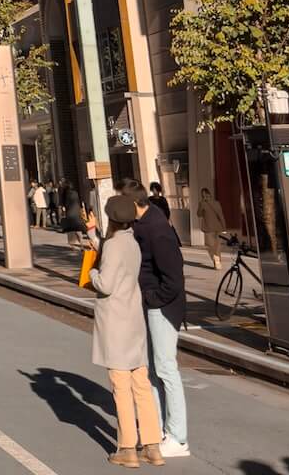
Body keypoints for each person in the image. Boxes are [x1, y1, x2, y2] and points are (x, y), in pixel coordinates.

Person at [86, 193, 166, 468]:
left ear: (112, 218)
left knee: (121, 387)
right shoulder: (132, 242)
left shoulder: (113, 246)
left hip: (116, 322)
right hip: (134, 320)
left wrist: (91, 275)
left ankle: (127, 448)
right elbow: (114, 261)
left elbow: (105, 282)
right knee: (141, 384)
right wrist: (93, 235)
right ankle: (153, 445)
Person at [124, 180, 188, 459]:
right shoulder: (140, 226)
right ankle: (156, 429)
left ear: (133, 204)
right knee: (151, 369)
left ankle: (178, 436)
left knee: (165, 369)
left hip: (163, 308)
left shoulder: (157, 230)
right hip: (150, 305)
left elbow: (173, 278)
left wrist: (151, 299)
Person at [195, 188, 226, 270]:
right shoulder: (216, 203)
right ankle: (218, 262)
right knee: (216, 246)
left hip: (210, 228)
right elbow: (221, 216)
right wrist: (224, 227)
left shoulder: (203, 203)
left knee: (212, 246)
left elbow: (199, 214)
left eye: (204, 195)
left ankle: (216, 261)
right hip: (217, 227)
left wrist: (201, 204)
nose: (204, 196)